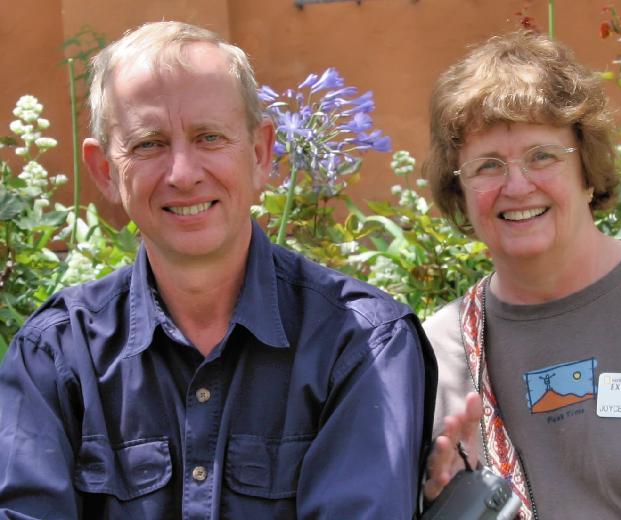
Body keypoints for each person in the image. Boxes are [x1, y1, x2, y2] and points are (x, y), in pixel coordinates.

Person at [0, 21, 437, 519]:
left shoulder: (360, 344)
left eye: (209, 137)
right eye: (148, 144)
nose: (183, 174)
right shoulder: (55, 355)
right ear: (104, 170)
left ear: (261, 153)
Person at [420, 30, 621, 519]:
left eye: (542, 156)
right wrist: (439, 506)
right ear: (460, 191)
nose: (517, 185)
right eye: (487, 166)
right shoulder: (437, 353)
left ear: (587, 169)